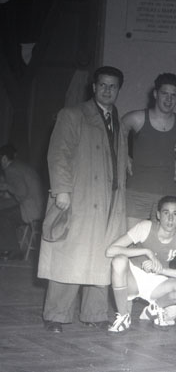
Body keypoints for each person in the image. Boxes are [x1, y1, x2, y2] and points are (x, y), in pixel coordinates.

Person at [38, 66, 128, 333]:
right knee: (69, 254)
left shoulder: (117, 120)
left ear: (118, 90)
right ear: (94, 87)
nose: (107, 90)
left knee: (102, 255)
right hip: (80, 195)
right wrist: (61, 189)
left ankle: (94, 313)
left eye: (113, 86)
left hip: (109, 199)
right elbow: (58, 153)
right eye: (103, 85)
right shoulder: (73, 114)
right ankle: (56, 315)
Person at [105, 196, 176, 333]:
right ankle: (124, 316)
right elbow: (110, 250)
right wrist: (147, 252)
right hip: (133, 277)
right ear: (158, 215)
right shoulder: (145, 227)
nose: (170, 219)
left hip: (157, 282)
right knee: (119, 261)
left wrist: (161, 270)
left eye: (175, 214)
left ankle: (155, 307)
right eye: (166, 213)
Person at [121, 73, 176, 229]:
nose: (169, 99)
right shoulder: (137, 118)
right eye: (164, 93)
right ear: (155, 94)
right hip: (136, 191)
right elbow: (120, 130)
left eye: (173, 95)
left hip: (166, 194)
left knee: (159, 240)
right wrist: (125, 157)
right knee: (131, 239)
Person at [0, 144, 45, 259]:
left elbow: (21, 192)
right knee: (6, 210)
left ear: (4, 158)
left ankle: (12, 251)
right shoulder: (21, 166)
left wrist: (6, 187)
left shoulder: (10, 169)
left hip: (32, 210)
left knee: (3, 216)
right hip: (41, 206)